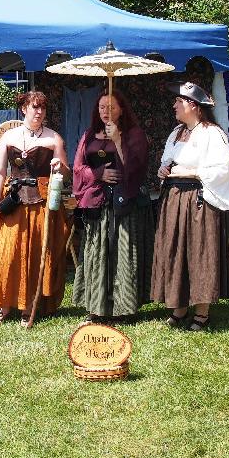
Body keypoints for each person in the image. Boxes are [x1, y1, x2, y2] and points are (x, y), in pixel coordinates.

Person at [151, 81, 229, 331]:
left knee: (199, 251)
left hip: (199, 201)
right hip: (175, 199)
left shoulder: (212, 133)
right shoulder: (177, 133)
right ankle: (179, 307)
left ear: (194, 105)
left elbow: (222, 170)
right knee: (176, 251)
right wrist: (164, 169)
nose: (174, 105)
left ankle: (202, 312)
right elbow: (167, 161)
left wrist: (191, 172)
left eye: (179, 101)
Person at [0, 91, 71, 325]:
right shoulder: (8, 137)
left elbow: (66, 175)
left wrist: (60, 167)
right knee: (8, 254)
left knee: (35, 255)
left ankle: (29, 308)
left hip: (41, 203)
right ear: (24, 109)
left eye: (43, 108)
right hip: (13, 202)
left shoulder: (54, 138)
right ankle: (3, 308)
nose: (39, 112)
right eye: (35, 107)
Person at [71, 90, 154, 321]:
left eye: (111, 107)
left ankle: (124, 307)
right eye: (102, 107)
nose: (106, 111)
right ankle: (96, 306)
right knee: (97, 254)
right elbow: (78, 168)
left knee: (122, 254)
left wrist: (117, 140)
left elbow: (136, 167)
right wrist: (99, 173)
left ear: (122, 109)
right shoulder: (89, 135)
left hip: (124, 205)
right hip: (98, 203)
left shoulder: (134, 134)